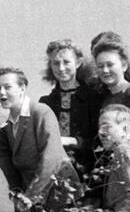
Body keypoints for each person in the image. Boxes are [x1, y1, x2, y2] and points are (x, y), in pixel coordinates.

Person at [0, 66, 78, 212]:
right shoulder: (7, 125)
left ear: (22, 88)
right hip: (32, 196)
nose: (2, 92)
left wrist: (31, 196)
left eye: (8, 87)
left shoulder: (40, 111)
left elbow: (52, 158)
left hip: (58, 191)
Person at [38, 39, 102, 172]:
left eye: (66, 62)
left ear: (78, 63)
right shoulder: (45, 103)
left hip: (88, 172)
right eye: (55, 63)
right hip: (53, 170)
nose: (61, 68)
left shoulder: (94, 98)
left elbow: (100, 139)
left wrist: (73, 141)